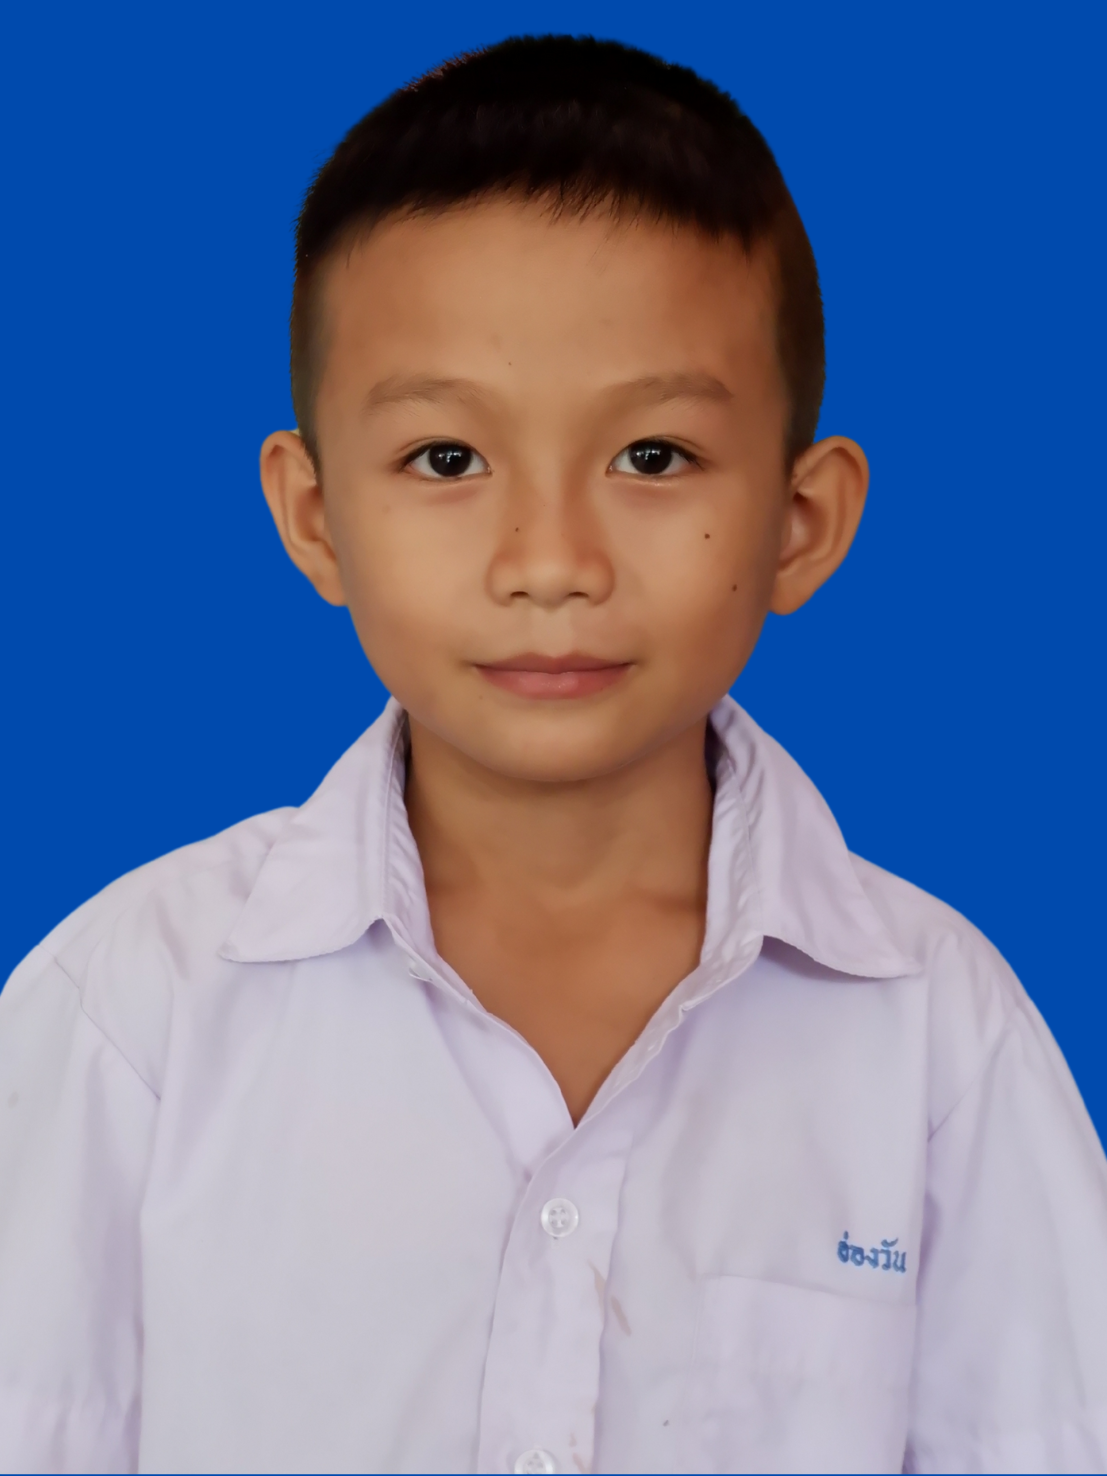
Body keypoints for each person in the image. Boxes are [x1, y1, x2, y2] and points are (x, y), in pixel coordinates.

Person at [1, 33, 1105, 1476]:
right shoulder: (135, 1009)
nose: (550, 561)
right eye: (447, 460)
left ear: (801, 523)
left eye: (652, 457)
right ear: (315, 518)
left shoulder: (937, 1036)